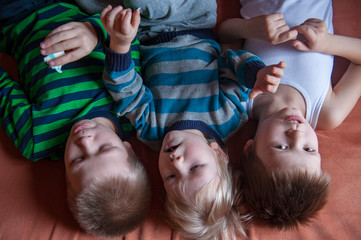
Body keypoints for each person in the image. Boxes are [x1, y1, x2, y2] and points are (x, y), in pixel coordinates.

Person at [99, 2, 285, 239]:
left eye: (171, 177)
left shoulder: (150, 130)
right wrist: (256, 74)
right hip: (194, 19)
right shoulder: (228, 116)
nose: (175, 162)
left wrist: (121, 44)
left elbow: (125, 91)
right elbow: (231, 60)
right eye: (195, 167)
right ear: (218, 153)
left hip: (144, 31)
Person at [0, 2, 150, 238]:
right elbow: (127, 37)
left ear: (66, 177)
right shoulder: (131, 106)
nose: (85, 140)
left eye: (78, 160)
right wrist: (94, 30)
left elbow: (2, 90)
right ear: (128, 149)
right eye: (103, 148)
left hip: (17, 17)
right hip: (80, 6)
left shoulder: (36, 139)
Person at [217, 0, 361, 230]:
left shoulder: (238, 99)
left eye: (281, 147)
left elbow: (224, 35)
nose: (296, 134)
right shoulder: (326, 112)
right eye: (309, 149)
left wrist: (250, 28)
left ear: (249, 147)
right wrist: (328, 43)